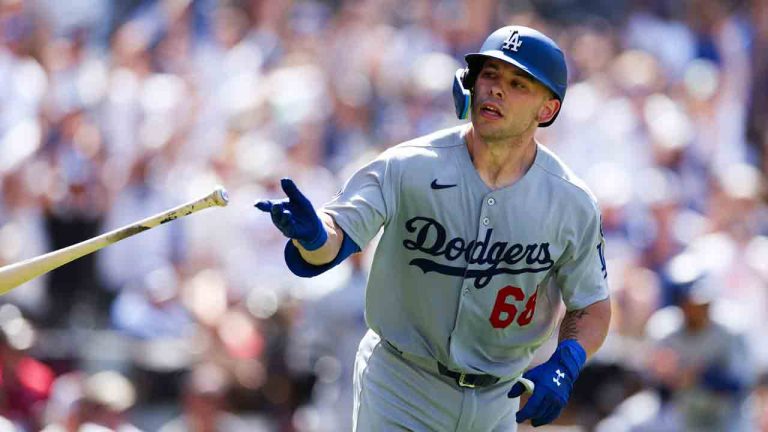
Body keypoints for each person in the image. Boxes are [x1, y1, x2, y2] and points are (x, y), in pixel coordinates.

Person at [256, 25, 611, 431]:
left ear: (546, 110)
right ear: (470, 84)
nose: (496, 89)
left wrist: (567, 362)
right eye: (490, 75)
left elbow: (592, 305)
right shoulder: (408, 165)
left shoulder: (571, 201)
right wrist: (313, 236)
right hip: (401, 383)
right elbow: (335, 238)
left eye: (517, 84)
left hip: (498, 397)